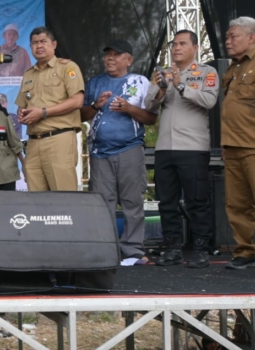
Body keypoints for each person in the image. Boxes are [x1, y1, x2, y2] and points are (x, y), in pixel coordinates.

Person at [144, 30, 219, 269]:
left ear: (195, 48)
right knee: (166, 201)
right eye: (174, 44)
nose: (176, 47)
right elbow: (149, 106)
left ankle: (200, 249)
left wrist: (181, 85)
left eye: (182, 43)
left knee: (197, 200)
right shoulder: (162, 73)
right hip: (165, 147)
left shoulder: (207, 72)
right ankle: (172, 248)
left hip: (193, 147)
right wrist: (163, 89)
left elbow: (209, 101)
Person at [80, 40, 157, 262]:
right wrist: (95, 106)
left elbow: (151, 118)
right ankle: (105, 248)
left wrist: (128, 108)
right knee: (103, 203)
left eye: (116, 54)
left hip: (130, 148)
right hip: (99, 152)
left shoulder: (139, 82)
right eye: (107, 55)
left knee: (132, 201)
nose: (110, 58)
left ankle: (133, 250)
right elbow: (80, 116)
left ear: (129, 60)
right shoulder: (95, 83)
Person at [14, 26, 85, 191]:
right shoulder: (28, 74)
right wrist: (22, 114)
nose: (38, 46)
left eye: (43, 42)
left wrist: (43, 112)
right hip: (33, 142)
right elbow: (22, 105)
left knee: (63, 196)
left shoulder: (67, 67)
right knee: (37, 200)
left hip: (59, 137)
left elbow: (77, 101)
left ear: (54, 44)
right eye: (34, 43)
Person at [220, 16, 255, 270]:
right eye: (227, 37)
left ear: (251, 37)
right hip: (232, 146)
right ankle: (245, 251)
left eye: (234, 36)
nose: (228, 41)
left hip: (253, 145)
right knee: (237, 203)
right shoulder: (232, 68)